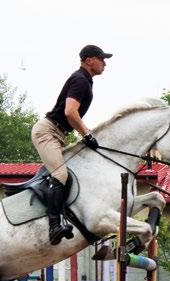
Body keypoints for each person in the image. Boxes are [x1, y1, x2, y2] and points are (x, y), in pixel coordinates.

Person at [31, 44, 113, 246]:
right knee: (60, 175)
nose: (104, 63)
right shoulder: (80, 79)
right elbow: (70, 112)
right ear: (88, 60)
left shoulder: (86, 80)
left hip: (57, 133)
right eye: (101, 59)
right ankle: (53, 226)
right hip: (48, 131)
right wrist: (86, 134)